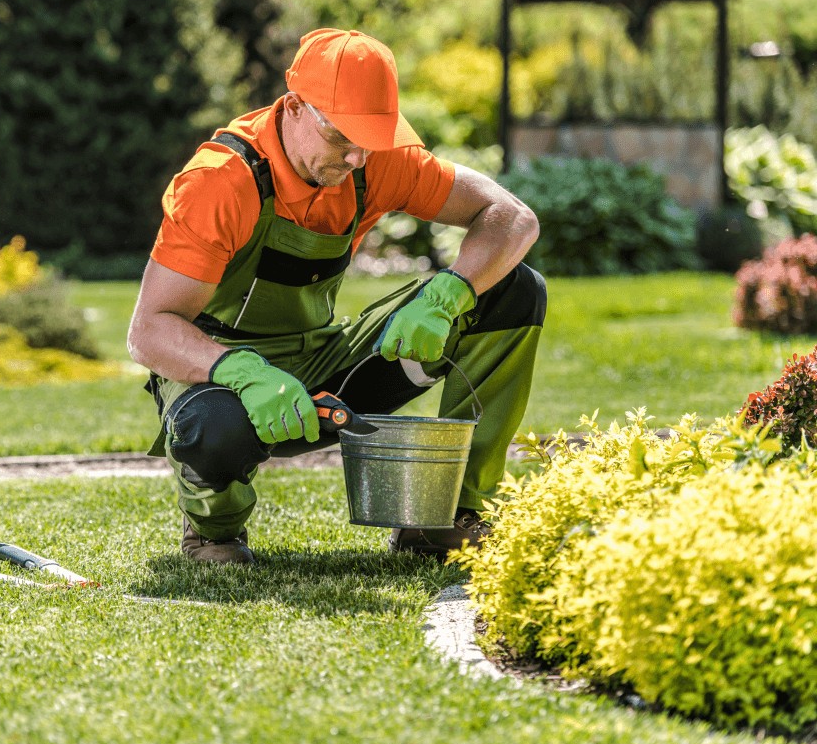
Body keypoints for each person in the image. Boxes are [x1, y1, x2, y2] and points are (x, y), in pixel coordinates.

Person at [127, 28, 545, 565]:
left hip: (327, 364)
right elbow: (150, 330)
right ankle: (214, 533)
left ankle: (449, 518)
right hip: (221, 379)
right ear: (296, 106)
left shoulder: (375, 160)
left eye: (369, 140)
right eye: (342, 137)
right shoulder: (220, 182)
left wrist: (449, 293)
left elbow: (513, 218)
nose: (355, 158)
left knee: (514, 289)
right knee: (211, 429)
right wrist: (244, 372)